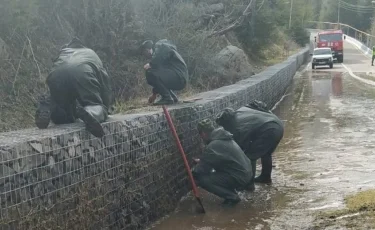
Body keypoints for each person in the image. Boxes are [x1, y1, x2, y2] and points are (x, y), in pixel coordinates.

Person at [35, 38, 113, 138]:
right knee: (95, 105)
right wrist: (105, 107)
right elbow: (105, 86)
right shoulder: (90, 53)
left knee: (64, 114)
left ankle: (50, 104)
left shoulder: (63, 53)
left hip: (55, 74)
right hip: (82, 71)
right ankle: (91, 112)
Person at [215, 104, 284, 188]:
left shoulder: (237, 127)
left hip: (269, 130)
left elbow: (242, 146)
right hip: (278, 125)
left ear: (227, 122)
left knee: (250, 157)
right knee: (266, 153)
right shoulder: (241, 110)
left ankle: (249, 184)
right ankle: (265, 177)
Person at [192, 119, 253, 206]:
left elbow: (201, 170)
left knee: (202, 179)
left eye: (200, 135)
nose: (201, 137)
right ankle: (233, 190)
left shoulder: (212, 146)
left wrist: (193, 171)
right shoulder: (223, 137)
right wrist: (202, 161)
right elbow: (219, 158)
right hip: (248, 173)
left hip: (240, 176)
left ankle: (232, 197)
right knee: (214, 173)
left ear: (203, 133)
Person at [140, 39, 188, 105]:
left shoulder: (160, 47)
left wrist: (151, 64)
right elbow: (159, 80)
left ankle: (167, 98)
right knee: (154, 73)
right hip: (180, 79)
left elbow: (163, 50)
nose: (144, 56)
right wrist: (154, 94)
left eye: (144, 53)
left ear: (147, 50)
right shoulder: (161, 55)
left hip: (178, 77)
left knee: (149, 72)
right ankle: (172, 97)